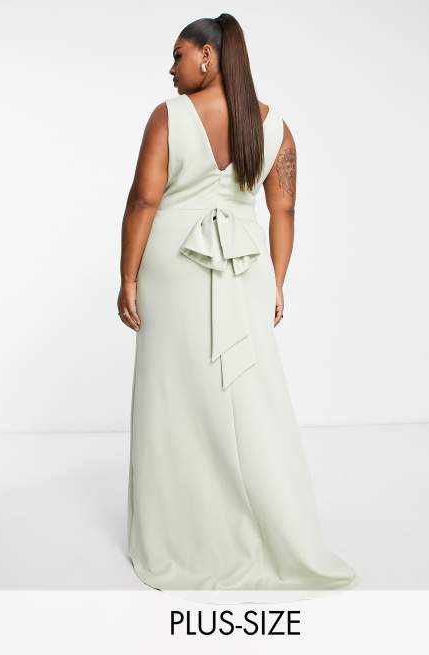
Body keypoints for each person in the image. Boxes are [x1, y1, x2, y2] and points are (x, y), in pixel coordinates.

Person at [118, 13, 358, 595]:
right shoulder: (274, 126)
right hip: (247, 270)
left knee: (174, 400)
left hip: (174, 269)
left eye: (178, 55)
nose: (171, 69)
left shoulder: (169, 116)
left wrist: (127, 278)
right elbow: (283, 211)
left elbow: (144, 202)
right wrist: (277, 281)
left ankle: (182, 536)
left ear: (208, 56)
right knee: (249, 399)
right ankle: (265, 528)